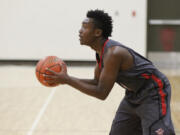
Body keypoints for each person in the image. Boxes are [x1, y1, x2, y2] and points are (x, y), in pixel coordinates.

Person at [45, 9, 175, 135]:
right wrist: (66, 78)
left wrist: (67, 80)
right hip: (133, 95)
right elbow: (97, 82)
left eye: (85, 27)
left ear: (97, 32)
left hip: (153, 92)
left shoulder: (113, 53)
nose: (80, 31)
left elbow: (102, 92)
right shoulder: (100, 52)